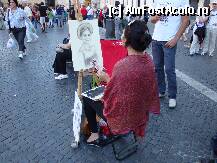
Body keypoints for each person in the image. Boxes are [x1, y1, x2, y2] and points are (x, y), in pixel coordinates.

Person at [83, 20, 160, 146]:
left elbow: (110, 94)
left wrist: (105, 77)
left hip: (123, 116)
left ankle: (94, 134)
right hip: (140, 113)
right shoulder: (149, 61)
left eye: (123, 35)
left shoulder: (123, 65)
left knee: (87, 98)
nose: (121, 37)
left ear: (125, 41)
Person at [151, 0, 189, 109]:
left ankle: (172, 96)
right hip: (156, 38)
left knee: (169, 69)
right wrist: (157, 16)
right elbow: (152, 19)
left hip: (170, 40)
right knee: (157, 67)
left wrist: (176, 38)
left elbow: (186, 20)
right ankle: (161, 90)